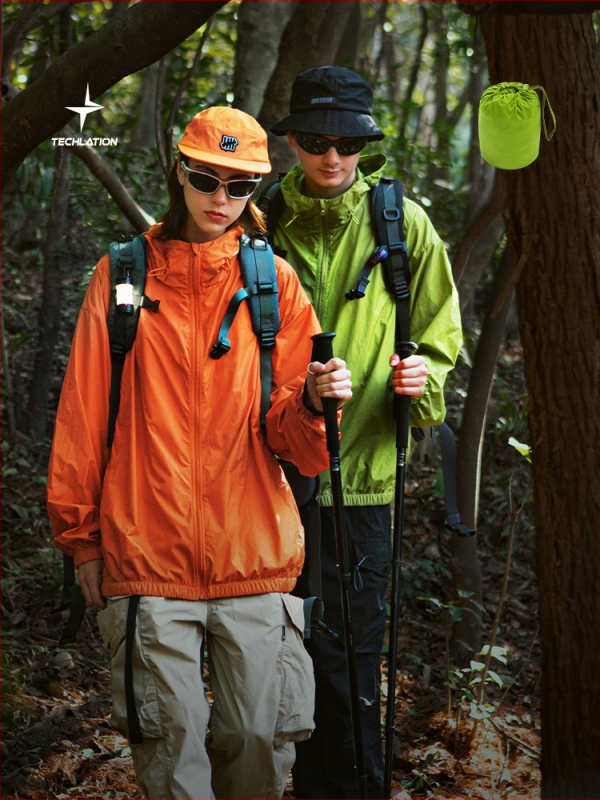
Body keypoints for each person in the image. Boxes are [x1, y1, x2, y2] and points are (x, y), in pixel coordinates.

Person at [47, 105, 353, 800]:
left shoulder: (274, 284)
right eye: (205, 179)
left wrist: (311, 404)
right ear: (178, 172)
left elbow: (299, 451)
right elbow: (82, 419)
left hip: (256, 559)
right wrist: (83, 542)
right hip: (145, 559)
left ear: (255, 191)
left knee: (254, 746)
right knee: (173, 751)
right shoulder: (122, 275)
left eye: (239, 186)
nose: (221, 199)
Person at [268, 67, 463, 798]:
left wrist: (422, 383)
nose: (332, 157)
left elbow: (441, 338)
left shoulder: (400, 222)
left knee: (350, 662)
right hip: (272, 478)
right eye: (317, 140)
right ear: (292, 141)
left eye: (348, 141)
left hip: (366, 480)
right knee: (279, 661)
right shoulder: (261, 222)